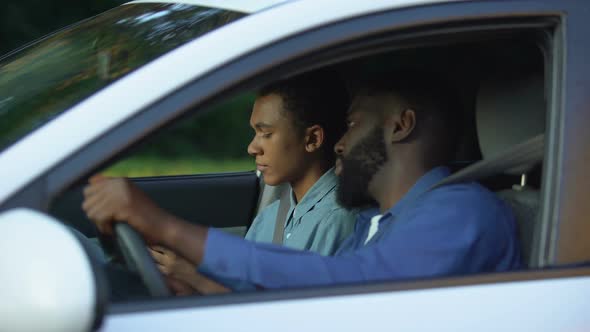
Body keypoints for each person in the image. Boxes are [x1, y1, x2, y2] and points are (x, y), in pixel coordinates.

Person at [83, 72, 522, 292]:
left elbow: (345, 289)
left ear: (401, 126)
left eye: (351, 125)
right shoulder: (380, 223)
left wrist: (166, 226)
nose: (339, 142)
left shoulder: (461, 210)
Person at [88, 71, 358, 295]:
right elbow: (245, 295)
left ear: (312, 139)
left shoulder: (336, 221)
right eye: (255, 133)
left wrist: (191, 275)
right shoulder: (273, 216)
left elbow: (286, 318)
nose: (253, 147)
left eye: (266, 134)